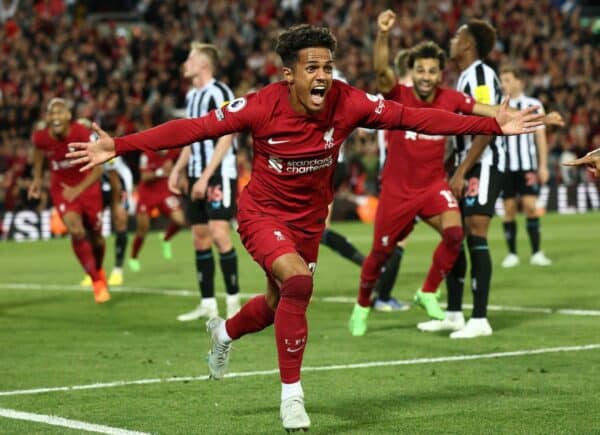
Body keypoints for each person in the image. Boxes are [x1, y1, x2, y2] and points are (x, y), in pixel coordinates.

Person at [67, 25, 542, 432]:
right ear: (288, 74)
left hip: (310, 219)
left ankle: (224, 332)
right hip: (262, 214)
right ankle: (291, 395)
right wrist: (120, 145)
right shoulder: (259, 106)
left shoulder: (349, 102)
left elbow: (411, 116)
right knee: (298, 282)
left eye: (327, 66)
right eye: (312, 68)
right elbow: (192, 130)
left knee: (279, 303)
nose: (322, 76)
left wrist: (494, 123)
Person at [350, 12, 531, 336]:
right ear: (412, 72)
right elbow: (380, 69)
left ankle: (428, 291)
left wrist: (535, 119)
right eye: (420, 70)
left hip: (433, 186)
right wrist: (381, 35)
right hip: (397, 190)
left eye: (432, 71)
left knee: (455, 235)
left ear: (438, 74)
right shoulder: (399, 96)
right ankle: (362, 304)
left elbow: (489, 112)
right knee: (380, 253)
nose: (425, 76)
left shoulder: (450, 98)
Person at [168, 42, 241, 321]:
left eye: (191, 58)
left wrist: (207, 176)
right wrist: (178, 169)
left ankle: (233, 304)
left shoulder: (219, 92)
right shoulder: (191, 97)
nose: (186, 62)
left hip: (219, 172)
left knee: (220, 233)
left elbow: (228, 134)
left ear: (204, 64)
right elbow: (190, 136)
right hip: (197, 172)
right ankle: (208, 305)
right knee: (199, 237)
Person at [29, 98, 110, 304]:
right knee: (76, 230)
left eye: (59, 113)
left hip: (88, 187)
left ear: (68, 116)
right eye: (51, 113)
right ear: (47, 117)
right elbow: (38, 155)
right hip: (63, 189)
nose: (55, 117)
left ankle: (98, 269)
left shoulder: (81, 132)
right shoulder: (41, 137)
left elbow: (99, 169)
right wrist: (38, 179)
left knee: (97, 240)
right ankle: (97, 282)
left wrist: (79, 189)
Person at [499, 65, 552, 268]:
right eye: (502, 80)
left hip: (527, 165)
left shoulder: (533, 104)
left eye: (508, 79)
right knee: (509, 209)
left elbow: (540, 137)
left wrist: (543, 166)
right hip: (505, 166)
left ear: (520, 81)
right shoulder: (498, 105)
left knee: (530, 207)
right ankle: (512, 253)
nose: (504, 84)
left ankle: (536, 252)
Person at [80, 154, 133, 286]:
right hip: (98, 187)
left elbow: (113, 174)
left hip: (119, 185)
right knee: (91, 229)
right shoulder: (80, 141)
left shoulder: (100, 144)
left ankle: (117, 271)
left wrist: (116, 204)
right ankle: (95, 271)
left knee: (120, 221)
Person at [128, 149, 185, 271]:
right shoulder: (146, 155)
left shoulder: (173, 151)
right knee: (143, 229)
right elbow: (144, 177)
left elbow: (185, 157)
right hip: (147, 194)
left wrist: (181, 176)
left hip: (164, 192)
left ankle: (166, 238)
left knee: (180, 220)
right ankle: (134, 257)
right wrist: (161, 171)